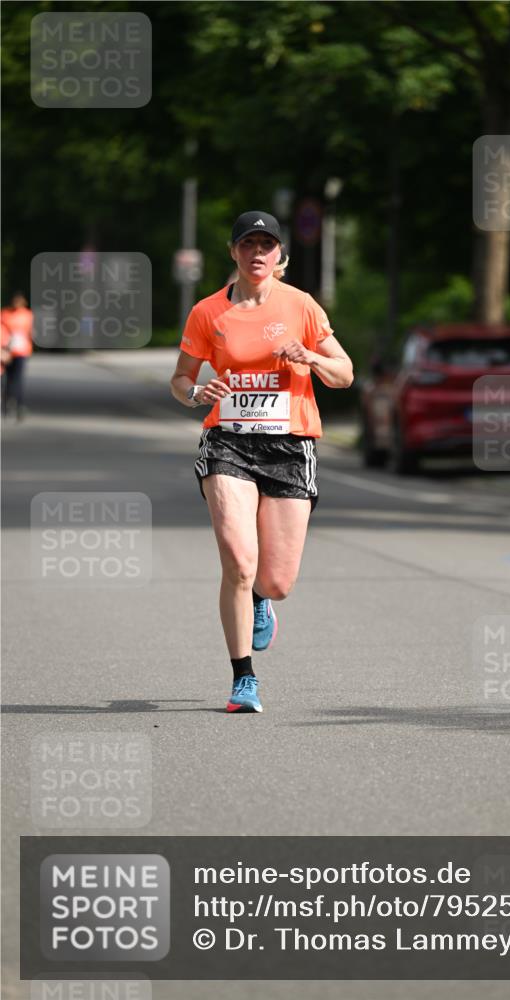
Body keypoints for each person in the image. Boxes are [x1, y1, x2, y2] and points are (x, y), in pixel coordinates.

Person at [170, 211, 353, 714]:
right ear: (233, 252)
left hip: (290, 447)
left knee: (275, 581)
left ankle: (261, 600)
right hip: (228, 441)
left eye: (267, 245)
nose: (257, 253)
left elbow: (345, 374)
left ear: (280, 257)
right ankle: (243, 678)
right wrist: (195, 394)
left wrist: (311, 358)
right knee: (238, 562)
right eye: (248, 244)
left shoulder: (302, 307)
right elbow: (181, 378)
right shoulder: (208, 312)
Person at [1, 292, 33, 419]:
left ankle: (19, 405)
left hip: (21, 351)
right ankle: (6, 404)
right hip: (6, 351)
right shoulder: (4, 314)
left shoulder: (27, 315)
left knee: (18, 379)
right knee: (7, 379)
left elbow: (30, 332)